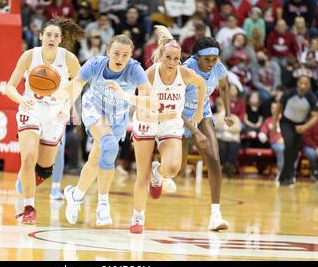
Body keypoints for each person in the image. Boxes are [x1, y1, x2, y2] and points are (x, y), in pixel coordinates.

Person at [63, 34, 160, 227]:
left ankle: (75, 195)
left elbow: (153, 101)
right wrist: (63, 107)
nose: (120, 58)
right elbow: (75, 86)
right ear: (108, 52)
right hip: (94, 109)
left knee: (96, 160)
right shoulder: (95, 64)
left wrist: (125, 94)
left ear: (131, 56)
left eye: (125, 55)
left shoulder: (134, 69)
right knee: (108, 145)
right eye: (116, 53)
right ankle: (103, 204)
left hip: (118, 116)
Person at [5, 17, 84, 224]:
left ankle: (23, 188)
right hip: (31, 110)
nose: (52, 38)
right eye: (48, 34)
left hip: (55, 114)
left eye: (56, 35)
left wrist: (68, 108)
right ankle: (29, 206)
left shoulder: (69, 59)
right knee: (28, 158)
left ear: (60, 40)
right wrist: (22, 99)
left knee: (44, 169)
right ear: (41, 36)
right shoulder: (30, 56)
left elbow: (79, 85)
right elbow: (9, 87)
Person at [129, 26, 207, 233]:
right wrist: (167, 115)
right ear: (160, 56)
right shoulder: (149, 75)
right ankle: (137, 217)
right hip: (147, 123)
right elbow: (143, 111)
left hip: (170, 126)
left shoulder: (185, 73)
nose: (172, 62)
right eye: (169, 58)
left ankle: (158, 172)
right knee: (141, 175)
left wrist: (198, 112)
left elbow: (202, 85)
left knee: (172, 169)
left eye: (176, 59)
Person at [178, 37, 234, 231]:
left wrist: (228, 113)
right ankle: (158, 170)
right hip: (178, 117)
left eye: (215, 59)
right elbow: (174, 107)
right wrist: (192, 131)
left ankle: (215, 215)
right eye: (207, 59)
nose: (211, 63)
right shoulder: (186, 70)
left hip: (201, 115)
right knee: (177, 169)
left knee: (214, 160)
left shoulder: (218, 68)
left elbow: (225, 86)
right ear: (196, 57)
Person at [273, 75, 318, 186]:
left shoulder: (312, 97)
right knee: (288, 146)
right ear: (297, 83)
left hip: (301, 125)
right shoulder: (289, 93)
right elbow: (278, 106)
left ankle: (287, 175)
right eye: (301, 83)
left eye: (305, 84)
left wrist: (305, 127)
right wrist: (274, 122)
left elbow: (315, 117)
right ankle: (284, 176)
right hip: (286, 123)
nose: (303, 86)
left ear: (309, 85)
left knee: (294, 152)